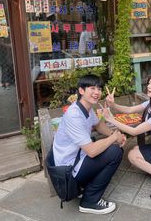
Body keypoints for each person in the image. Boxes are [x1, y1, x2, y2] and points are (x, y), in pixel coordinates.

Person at [53, 74, 126, 215]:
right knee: (114, 152)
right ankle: (90, 201)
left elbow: (98, 125)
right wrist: (114, 138)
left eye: (99, 88)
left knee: (111, 147)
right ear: (81, 91)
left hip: (77, 157)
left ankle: (85, 186)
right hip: (68, 169)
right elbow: (92, 151)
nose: (97, 92)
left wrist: (113, 135)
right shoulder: (74, 115)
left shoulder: (85, 108)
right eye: (92, 88)